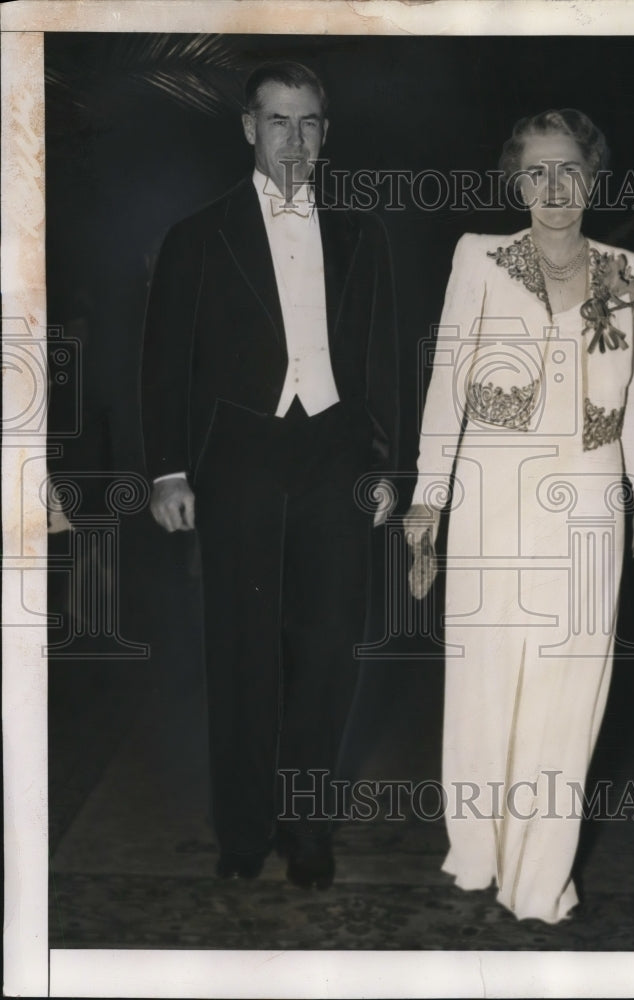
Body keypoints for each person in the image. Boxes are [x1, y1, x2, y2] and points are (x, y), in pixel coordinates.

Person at [404, 109, 634, 924]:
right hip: (490, 492)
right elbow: (447, 380)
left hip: (589, 498)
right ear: (515, 181)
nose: (554, 189)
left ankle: (539, 875)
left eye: (570, 170)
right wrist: (428, 494)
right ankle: (478, 852)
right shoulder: (477, 258)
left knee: (570, 683)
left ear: (594, 176)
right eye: (536, 172)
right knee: (486, 682)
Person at [141, 61, 398, 889]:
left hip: (336, 459)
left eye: (310, 121)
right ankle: (245, 828)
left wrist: (390, 465)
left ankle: (308, 827)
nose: (295, 137)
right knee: (242, 651)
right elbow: (163, 363)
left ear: (327, 134)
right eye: (278, 120)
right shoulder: (196, 235)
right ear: (248, 127)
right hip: (239, 461)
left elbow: (386, 359)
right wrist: (169, 471)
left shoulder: (363, 233)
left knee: (327, 654)